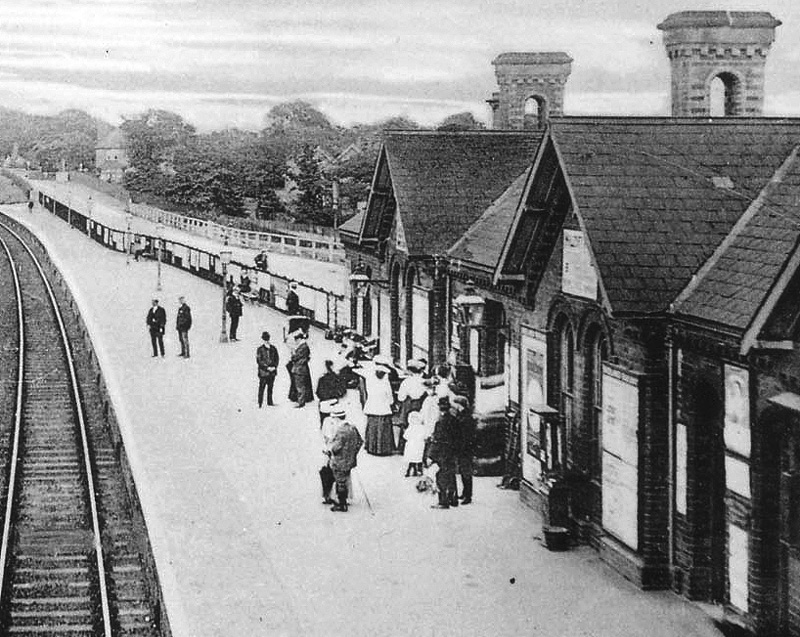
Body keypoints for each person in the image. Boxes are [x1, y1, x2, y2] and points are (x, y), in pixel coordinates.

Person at [328, 408, 364, 512]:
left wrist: (330, 450)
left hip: (339, 461)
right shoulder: (352, 428)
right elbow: (360, 441)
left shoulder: (341, 431)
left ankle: (341, 504)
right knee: (344, 479)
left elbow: (336, 447)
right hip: (350, 460)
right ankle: (343, 501)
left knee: (340, 482)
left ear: (337, 418)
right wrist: (353, 453)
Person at [427, 395, 459, 509]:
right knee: (451, 475)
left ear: (440, 408)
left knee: (441, 477)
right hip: (451, 452)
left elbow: (437, 441)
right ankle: (453, 499)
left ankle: (443, 501)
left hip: (442, 453)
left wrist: (430, 456)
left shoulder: (440, 423)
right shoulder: (454, 420)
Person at [359, 362, 395, 456]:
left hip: (372, 407)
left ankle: (371, 446)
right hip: (384, 408)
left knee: (372, 427)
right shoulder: (385, 383)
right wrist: (391, 403)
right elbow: (390, 398)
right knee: (383, 429)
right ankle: (383, 448)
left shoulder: (370, 380)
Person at [450, 385, 476, 505]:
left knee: (466, 472)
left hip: (465, 449)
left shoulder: (466, 419)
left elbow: (465, 436)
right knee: (463, 471)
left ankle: (468, 496)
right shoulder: (463, 416)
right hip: (463, 448)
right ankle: (465, 493)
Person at [396, 359, 427, 454]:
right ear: (421, 370)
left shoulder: (406, 382)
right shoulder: (424, 382)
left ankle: (404, 449)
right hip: (420, 404)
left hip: (408, 405)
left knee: (406, 425)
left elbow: (401, 397)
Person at [319, 401, 344, 505]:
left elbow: (325, 436)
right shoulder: (343, 425)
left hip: (331, 449)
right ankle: (337, 496)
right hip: (334, 450)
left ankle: (329, 495)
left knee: (329, 472)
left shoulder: (326, 421)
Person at [316, 359, 346, 426]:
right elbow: (343, 391)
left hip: (324, 403)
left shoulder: (322, 379)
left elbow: (318, 392)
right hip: (334, 402)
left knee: (324, 422)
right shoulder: (338, 378)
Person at [256, 331, 279, 407]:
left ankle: (270, 402)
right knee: (262, 388)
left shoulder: (273, 348)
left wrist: (274, 367)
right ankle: (260, 402)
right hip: (263, 372)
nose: (267, 341)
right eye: (265, 339)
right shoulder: (260, 349)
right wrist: (267, 368)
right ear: (263, 340)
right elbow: (259, 361)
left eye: (267, 339)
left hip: (272, 372)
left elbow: (277, 359)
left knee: (270, 387)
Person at [290, 330, 312, 407]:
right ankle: (300, 400)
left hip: (299, 369)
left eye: (296, 340)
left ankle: (301, 402)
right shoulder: (303, 346)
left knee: (300, 386)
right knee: (299, 385)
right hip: (300, 368)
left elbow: (295, 357)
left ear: (299, 339)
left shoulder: (303, 347)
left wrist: (293, 353)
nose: (296, 342)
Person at [403, 411, 427, 477]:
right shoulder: (422, 428)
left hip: (411, 445)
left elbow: (405, 436)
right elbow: (425, 436)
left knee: (411, 459)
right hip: (419, 445)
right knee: (419, 459)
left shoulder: (410, 428)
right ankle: (419, 470)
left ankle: (409, 471)